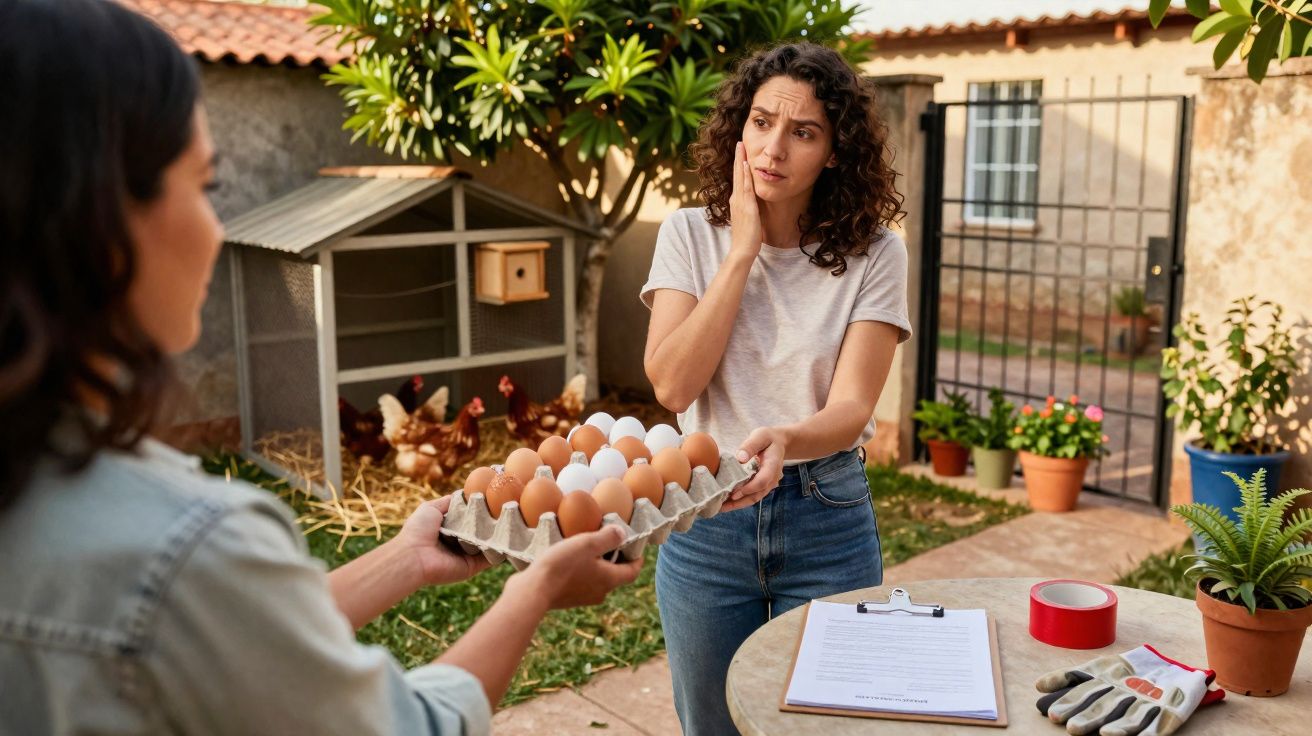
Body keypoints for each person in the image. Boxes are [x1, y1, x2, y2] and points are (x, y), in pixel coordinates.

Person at [0, 1, 640, 733]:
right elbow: (409, 725)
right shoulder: (188, 543)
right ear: (101, 218)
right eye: (205, 187)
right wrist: (533, 591)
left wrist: (404, 559)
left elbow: (235, 634)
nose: (216, 229)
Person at [641, 42, 912, 735]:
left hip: (827, 513)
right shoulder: (688, 235)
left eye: (804, 132)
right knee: (711, 722)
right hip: (706, 513)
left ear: (834, 152)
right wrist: (740, 253)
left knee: (828, 721)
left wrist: (787, 437)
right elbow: (673, 384)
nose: (774, 147)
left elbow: (853, 408)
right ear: (739, 129)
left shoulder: (876, 251)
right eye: (761, 123)